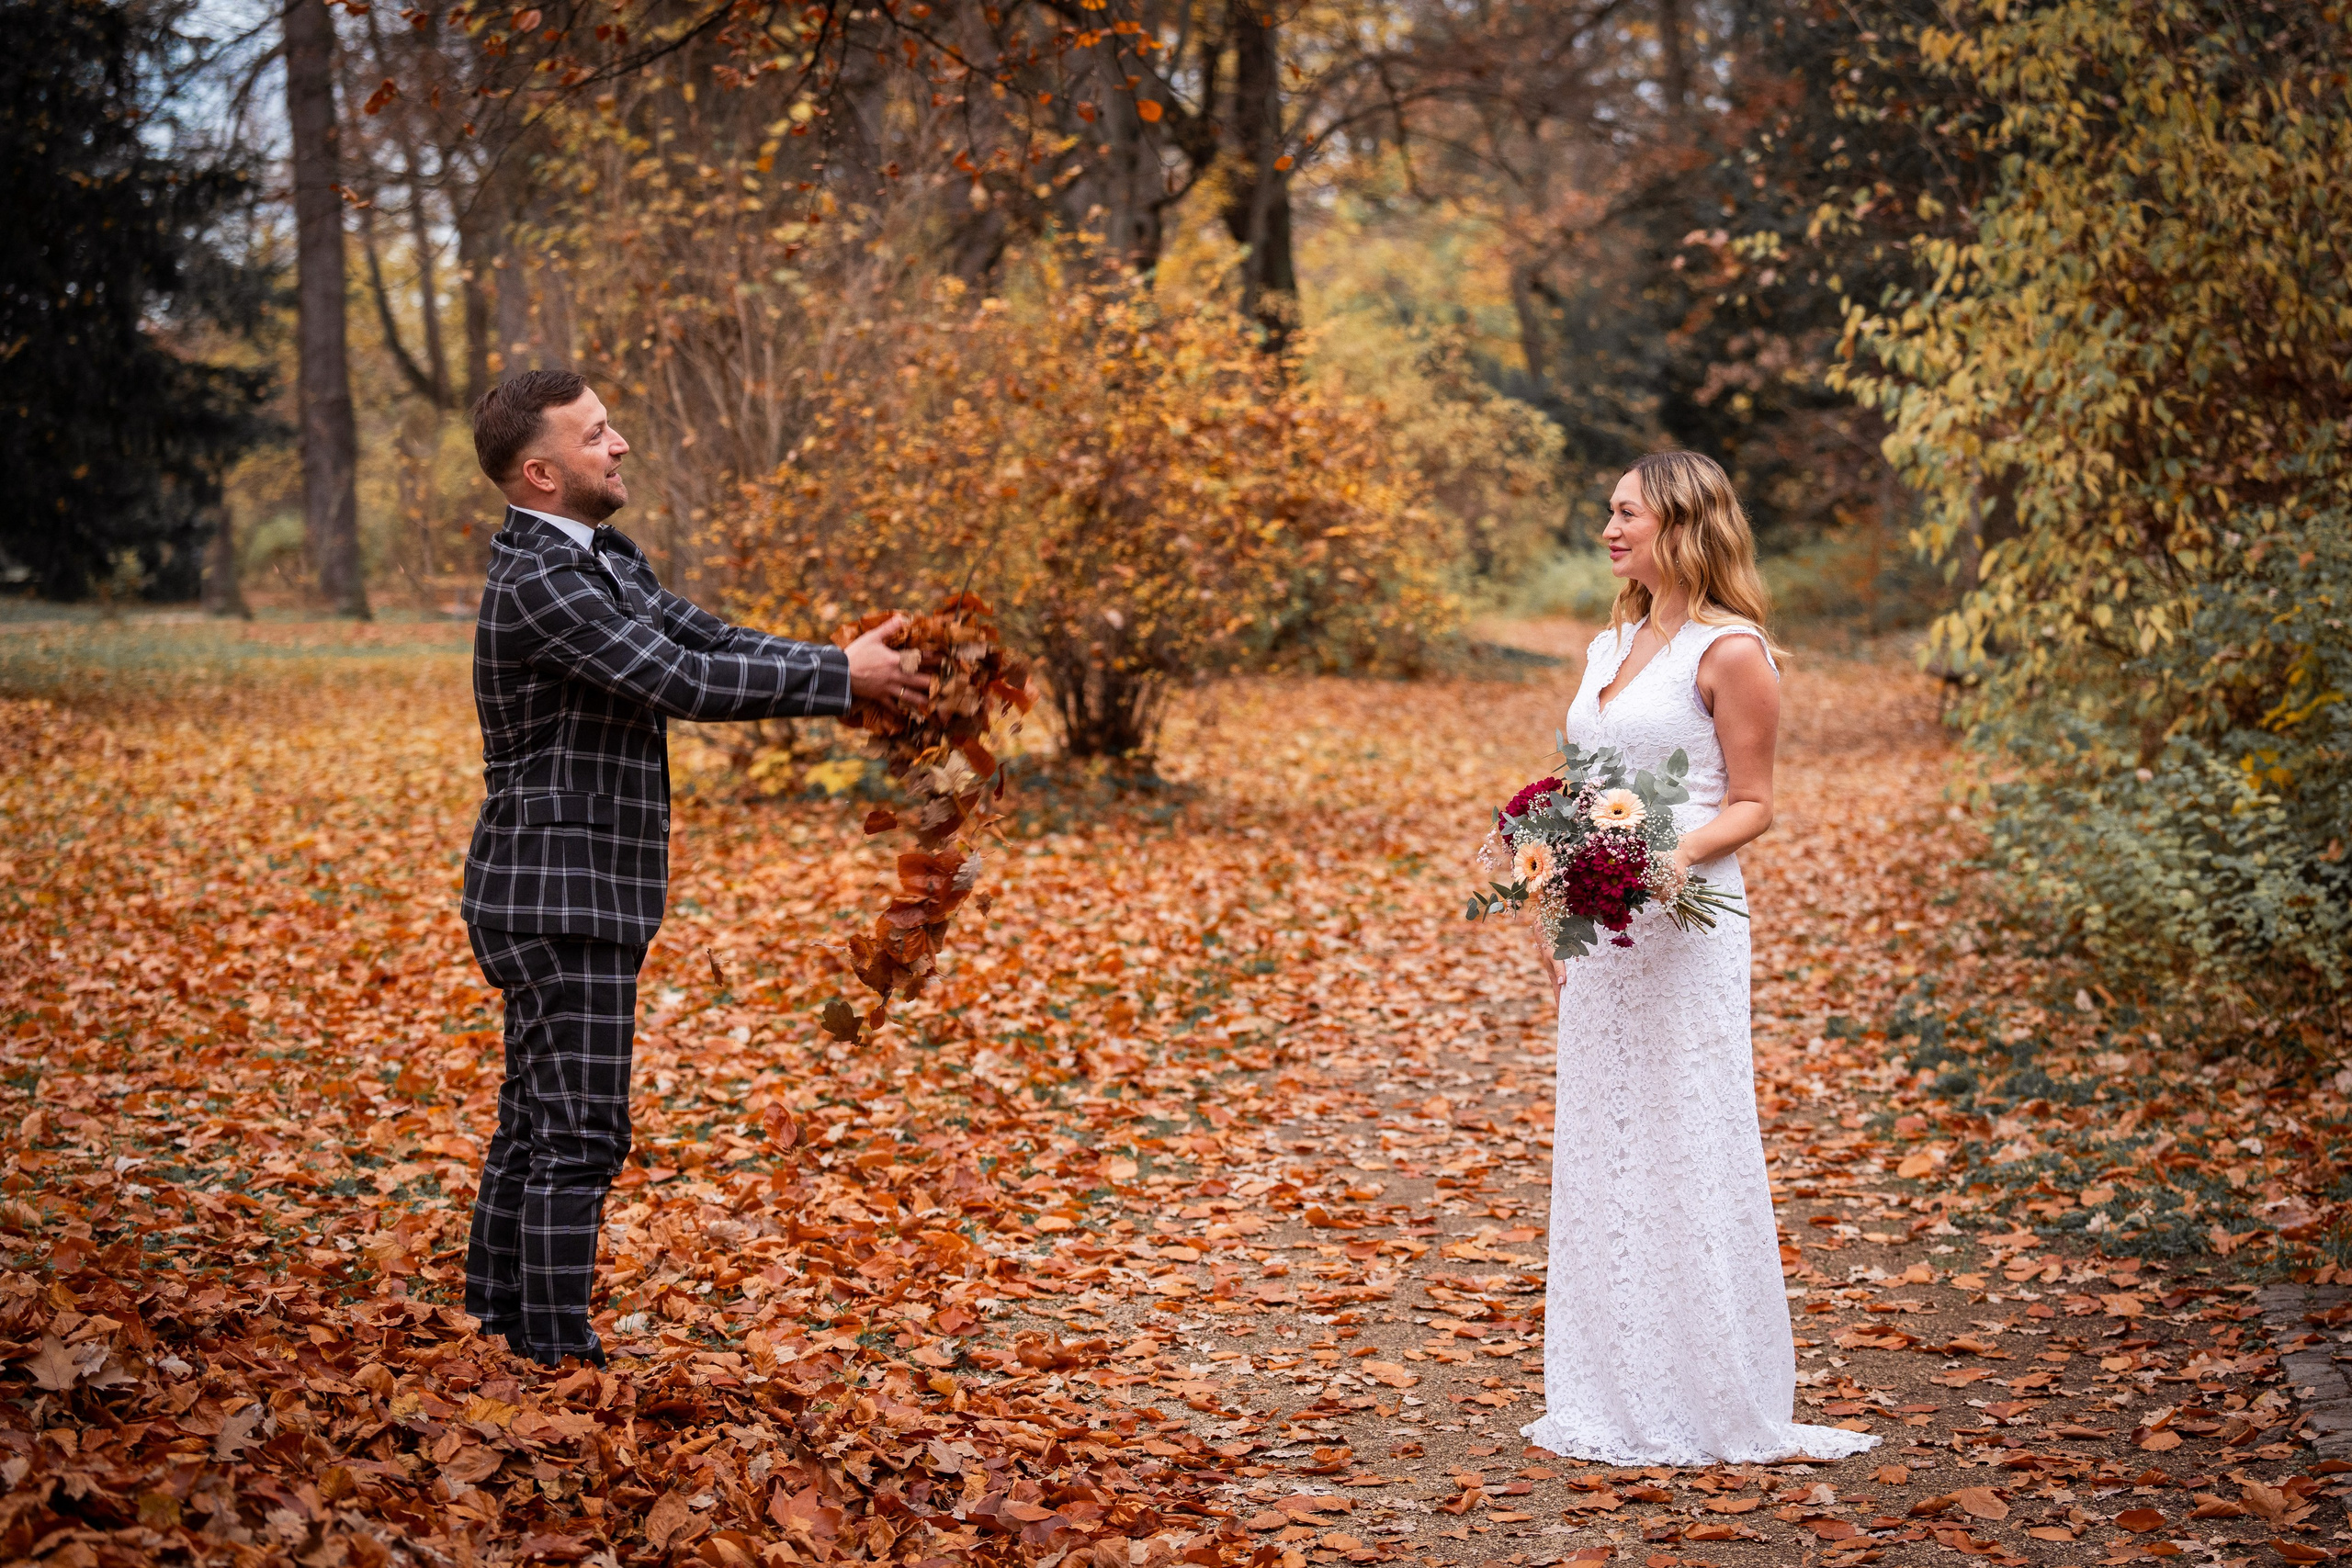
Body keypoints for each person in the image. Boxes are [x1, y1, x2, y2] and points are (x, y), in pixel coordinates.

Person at [456, 369, 926, 1369]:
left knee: (534, 1125)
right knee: (578, 1136)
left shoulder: (601, 560)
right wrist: (841, 675)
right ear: (540, 473)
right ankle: (554, 1357)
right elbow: (681, 682)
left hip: (579, 888)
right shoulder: (541, 580)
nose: (618, 444)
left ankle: (490, 1328)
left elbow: (708, 639)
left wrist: (839, 669)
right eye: (594, 436)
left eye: (611, 427)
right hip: (556, 891)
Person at [1520, 450, 1876, 1465]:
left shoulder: (1731, 652)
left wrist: (1667, 861)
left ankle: (1711, 1393)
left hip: (1688, 925)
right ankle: (1611, 1386)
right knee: (1606, 1144)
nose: (1607, 532)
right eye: (1607, 513)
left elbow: (1754, 802)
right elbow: (1586, 786)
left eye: (1624, 513)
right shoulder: (1607, 646)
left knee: (1687, 1132)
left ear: (1682, 522)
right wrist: (1560, 905)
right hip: (1605, 935)